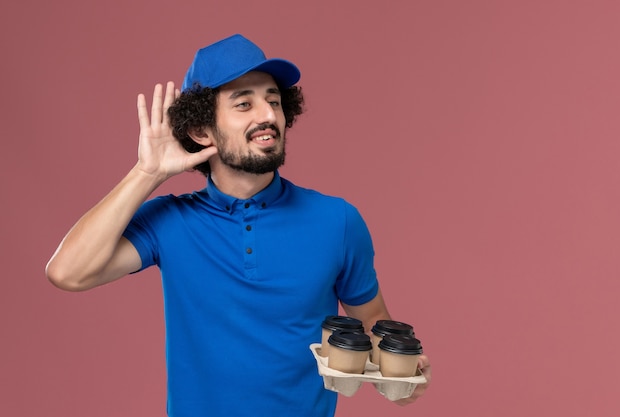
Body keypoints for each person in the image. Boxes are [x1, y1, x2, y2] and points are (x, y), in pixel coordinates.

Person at [46, 34, 431, 416]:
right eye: (244, 104)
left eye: (274, 101)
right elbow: (69, 272)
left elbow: (375, 322)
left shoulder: (338, 220)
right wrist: (146, 173)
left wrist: (402, 370)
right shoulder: (170, 222)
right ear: (201, 131)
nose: (267, 116)